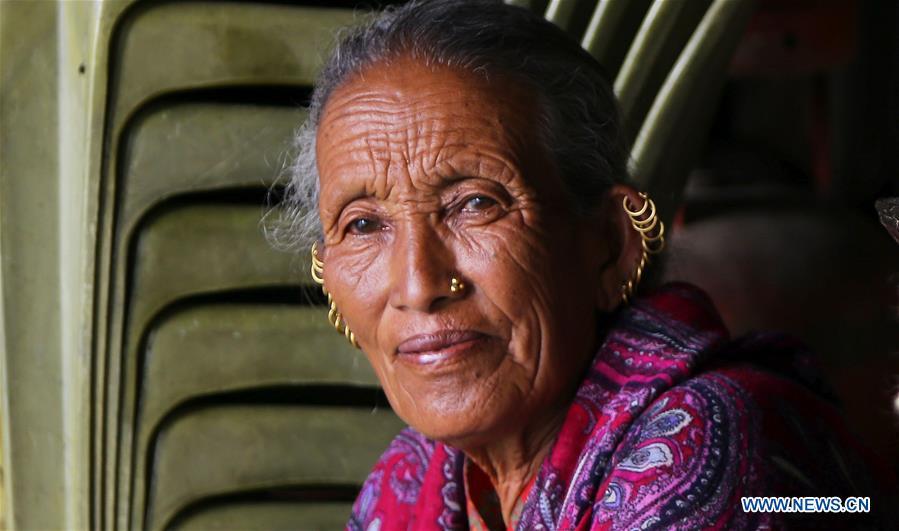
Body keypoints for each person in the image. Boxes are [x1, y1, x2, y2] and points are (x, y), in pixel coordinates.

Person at [272, 1, 895, 528]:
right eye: (364, 225)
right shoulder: (412, 483)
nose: (418, 284)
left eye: (475, 204)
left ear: (609, 244)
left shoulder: (703, 445)